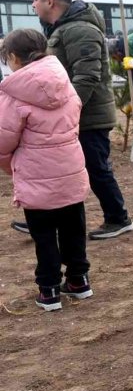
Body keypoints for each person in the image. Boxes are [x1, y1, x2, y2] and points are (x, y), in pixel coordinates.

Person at [14, 0, 133, 240]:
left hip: (89, 116)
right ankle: (46, 217)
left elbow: (87, 76)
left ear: (49, 1)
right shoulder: (61, 28)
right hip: (76, 114)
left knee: (96, 169)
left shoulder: (80, 29)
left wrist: (67, 110)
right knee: (61, 169)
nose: (33, 5)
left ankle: (119, 218)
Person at [0, 29, 92, 311]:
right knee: (73, 229)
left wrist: (10, 168)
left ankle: (49, 290)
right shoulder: (64, 82)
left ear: (14, 58)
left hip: (37, 177)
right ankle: (78, 281)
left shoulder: (14, 93)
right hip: (71, 169)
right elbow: (75, 116)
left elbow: (4, 140)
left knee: (43, 236)